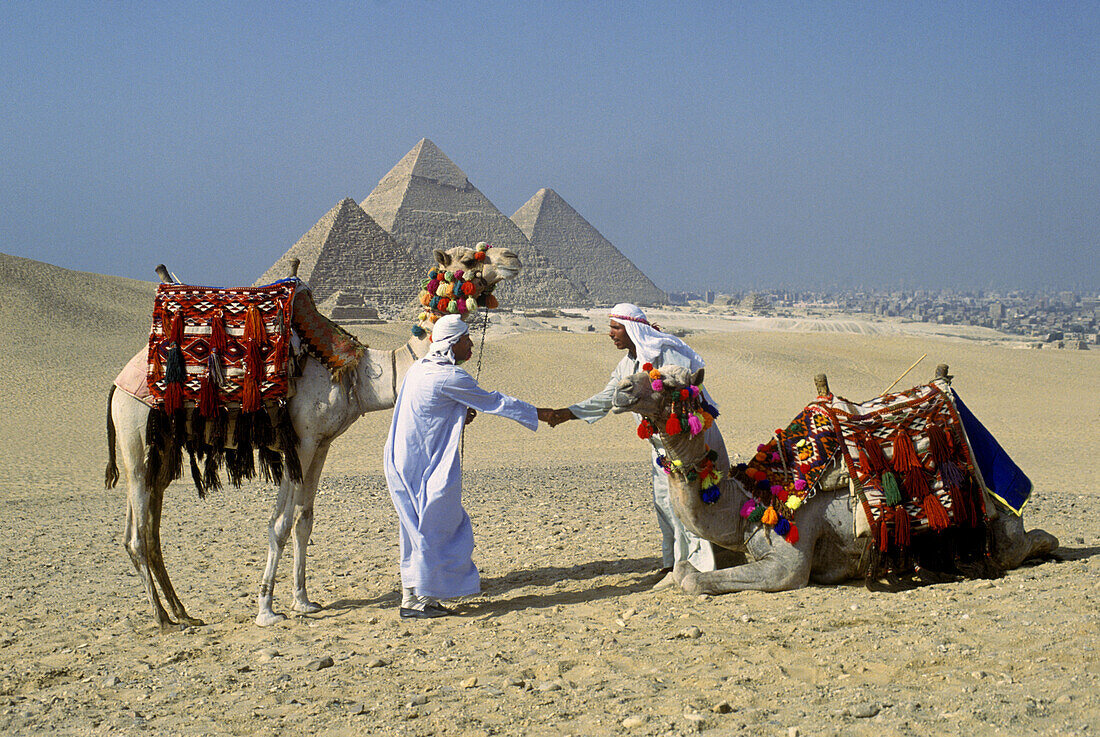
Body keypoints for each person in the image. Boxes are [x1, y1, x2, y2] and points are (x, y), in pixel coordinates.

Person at [384, 314, 554, 618]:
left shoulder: (419, 369)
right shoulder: (449, 377)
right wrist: (543, 413)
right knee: (436, 526)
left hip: (404, 460)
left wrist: (459, 415)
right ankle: (417, 601)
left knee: (418, 528)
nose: (471, 343)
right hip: (424, 465)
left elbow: (431, 411)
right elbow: (495, 402)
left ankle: (418, 596)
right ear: (452, 343)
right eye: (466, 338)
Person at [546, 303, 728, 587]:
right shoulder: (625, 365)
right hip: (661, 448)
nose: (610, 334)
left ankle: (698, 565)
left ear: (632, 329)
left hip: (690, 442)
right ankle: (672, 564)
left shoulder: (666, 352)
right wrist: (566, 414)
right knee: (665, 503)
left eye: (616, 327)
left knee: (691, 502)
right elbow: (607, 398)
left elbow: (687, 386)